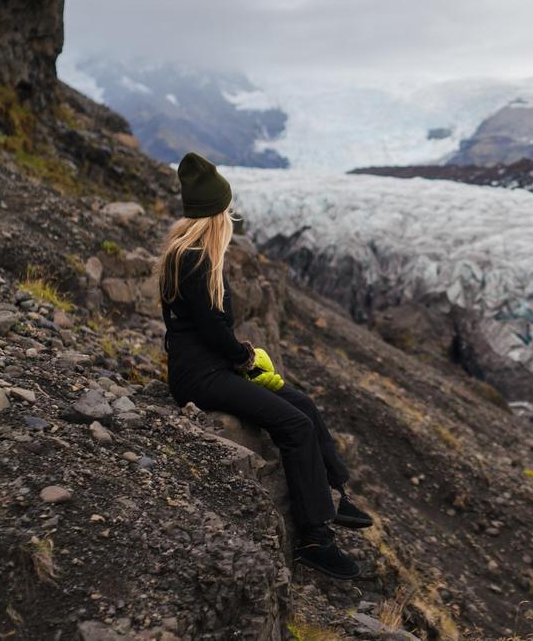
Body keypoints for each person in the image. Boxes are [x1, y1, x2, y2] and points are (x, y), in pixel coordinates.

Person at [155, 152, 371, 580]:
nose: (231, 218)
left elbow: (210, 328)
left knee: (302, 404)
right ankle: (314, 539)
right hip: (201, 376)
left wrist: (238, 357)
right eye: (226, 210)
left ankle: (336, 495)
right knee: (293, 424)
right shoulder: (195, 258)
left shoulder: (189, 253)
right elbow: (213, 330)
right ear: (216, 214)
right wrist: (245, 357)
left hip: (213, 367)